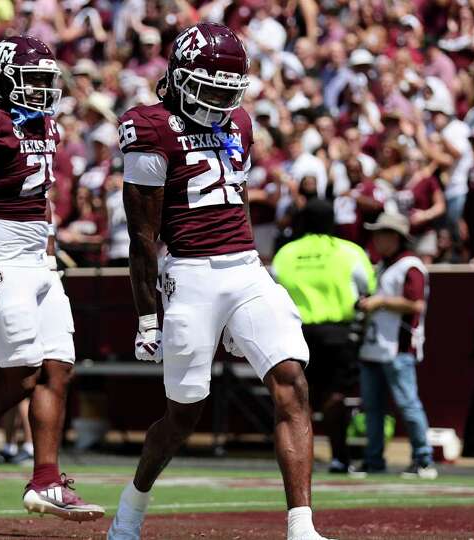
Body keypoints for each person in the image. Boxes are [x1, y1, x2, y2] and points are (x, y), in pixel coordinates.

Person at [108, 23, 330, 540]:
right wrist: (146, 317)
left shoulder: (242, 122)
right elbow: (143, 238)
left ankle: (301, 526)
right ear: (179, 77)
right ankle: (133, 503)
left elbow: (238, 198)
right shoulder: (150, 127)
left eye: (228, 87)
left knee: (292, 382)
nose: (219, 98)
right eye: (208, 86)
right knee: (183, 416)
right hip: (190, 274)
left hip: (248, 268)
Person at [0, 36, 104, 521]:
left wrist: (48, 250)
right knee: (24, 372)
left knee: (58, 367)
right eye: (34, 80)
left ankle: (46, 480)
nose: (44, 90)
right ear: (6, 80)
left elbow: (40, 196)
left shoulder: (42, 124)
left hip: (37, 260)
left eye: (48, 81)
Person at [273, 199, 376, 474]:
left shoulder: (287, 253)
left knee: (297, 398)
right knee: (335, 396)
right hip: (337, 334)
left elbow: (273, 287)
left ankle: (298, 461)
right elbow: (369, 287)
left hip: (296, 333)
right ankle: (340, 457)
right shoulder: (349, 251)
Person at [355, 212, 436, 480]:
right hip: (374, 346)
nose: (376, 239)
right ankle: (373, 458)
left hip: (398, 346)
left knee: (408, 403)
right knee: (373, 407)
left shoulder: (410, 266)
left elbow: (416, 305)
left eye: (382, 233)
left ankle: (423, 459)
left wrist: (380, 302)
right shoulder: (383, 265)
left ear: (396, 237)